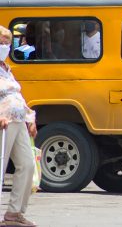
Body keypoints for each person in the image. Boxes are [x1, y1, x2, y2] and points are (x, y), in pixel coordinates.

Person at [0, 25, 37, 227]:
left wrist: (31, 119)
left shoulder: (7, 69)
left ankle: (14, 213)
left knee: (28, 164)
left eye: (7, 43)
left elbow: (17, 96)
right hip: (3, 123)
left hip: (18, 119)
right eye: (1, 43)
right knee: (0, 166)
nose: (5, 47)